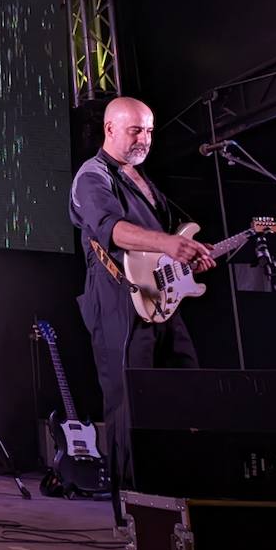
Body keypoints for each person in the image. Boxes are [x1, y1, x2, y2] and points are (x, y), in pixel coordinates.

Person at [69, 97, 214, 515]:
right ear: (110, 129)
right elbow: (111, 230)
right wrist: (170, 242)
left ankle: (178, 501)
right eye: (136, 130)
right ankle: (131, 515)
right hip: (117, 301)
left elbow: (165, 245)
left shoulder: (143, 180)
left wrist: (188, 254)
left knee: (185, 389)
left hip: (161, 301)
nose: (144, 139)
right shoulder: (92, 176)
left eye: (149, 130)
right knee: (128, 404)